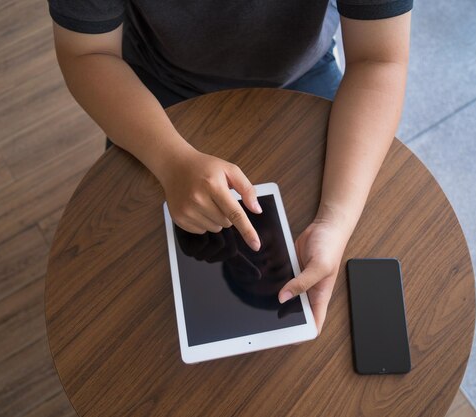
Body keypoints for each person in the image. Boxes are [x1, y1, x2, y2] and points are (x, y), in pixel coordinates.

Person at [48, 0, 413, 334]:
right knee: (126, 285)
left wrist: (335, 220)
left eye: (251, 269)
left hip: (303, 73)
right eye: (271, 269)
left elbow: (379, 59)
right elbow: (86, 53)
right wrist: (171, 159)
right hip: (160, 83)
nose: (262, 258)